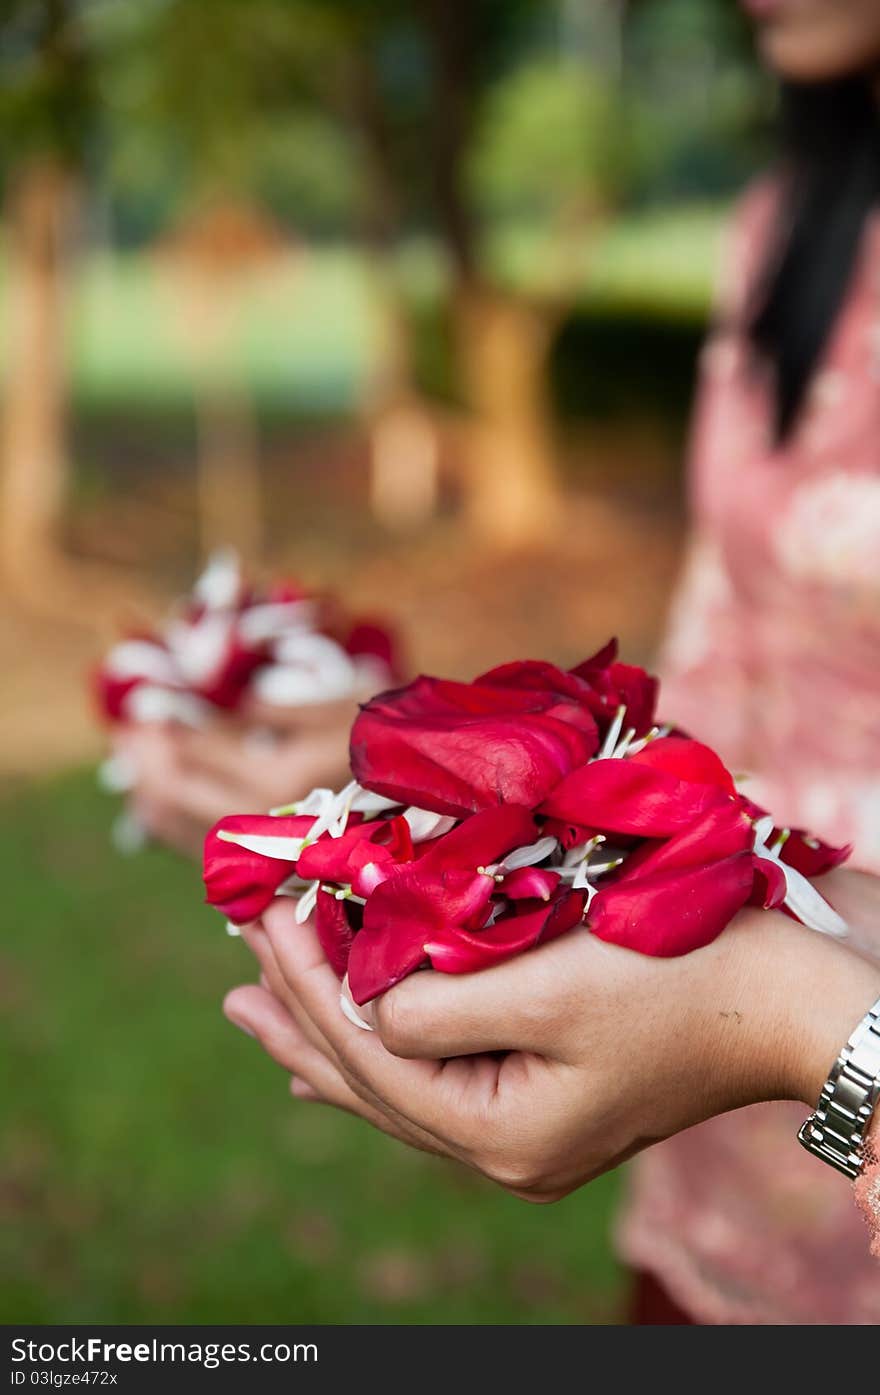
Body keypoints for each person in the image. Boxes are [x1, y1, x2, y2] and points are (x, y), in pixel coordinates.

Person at [194, 0, 880, 1321]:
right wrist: (428, 787)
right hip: (708, 1095)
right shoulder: (792, 228)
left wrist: (808, 1026)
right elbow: (721, 663)